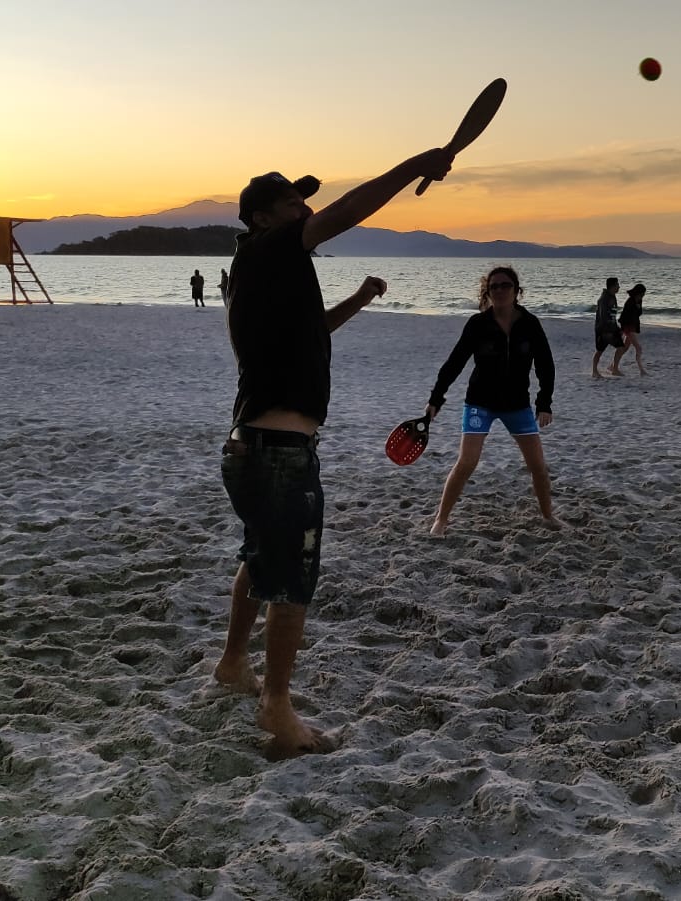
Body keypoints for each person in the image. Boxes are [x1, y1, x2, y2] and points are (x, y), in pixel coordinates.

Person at [216, 148, 454, 760]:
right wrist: (416, 165)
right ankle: (276, 704)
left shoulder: (256, 271)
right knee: (292, 578)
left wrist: (358, 299)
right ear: (264, 219)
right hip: (280, 454)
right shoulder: (275, 248)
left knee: (259, 556)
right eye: (294, 202)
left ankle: (232, 663)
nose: (307, 208)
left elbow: (309, 331)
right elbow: (349, 208)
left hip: (247, 447)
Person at [425, 265, 559, 536]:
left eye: (505, 285)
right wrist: (436, 398)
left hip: (517, 405)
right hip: (480, 403)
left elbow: (546, 364)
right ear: (487, 292)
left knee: (538, 467)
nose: (499, 290)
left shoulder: (530, 324)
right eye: (494, 286)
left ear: (517, 291)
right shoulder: (478, 324)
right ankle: (441, 519)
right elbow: (455, 363)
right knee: (466, 463)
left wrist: (544, 403)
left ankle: (548, 516)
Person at [591, 276, 624, 378]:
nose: (619, 287)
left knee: (620, 348)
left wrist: (617, 328)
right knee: (600, 351)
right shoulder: (604, 299)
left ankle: (614, 369)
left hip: (612, 328)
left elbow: (612, 315)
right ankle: (595, 371)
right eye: (617, 285)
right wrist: (607, 330)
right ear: (612, 286)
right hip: (604, 330)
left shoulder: (612, 296)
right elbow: (603, 316)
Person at [611, 282, 647, 376]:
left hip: (632, 326)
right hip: (627, 326)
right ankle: (641, 370)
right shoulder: (630, 301)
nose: (642, 296)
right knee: (638, 348)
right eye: (642, 294)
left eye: (643, 294)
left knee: (625, 348)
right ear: (638, 293)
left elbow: (639, 313)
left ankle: (612, 366)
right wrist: (624, 330)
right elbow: (625, 317)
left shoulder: (638, 301)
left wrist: (638, 308)